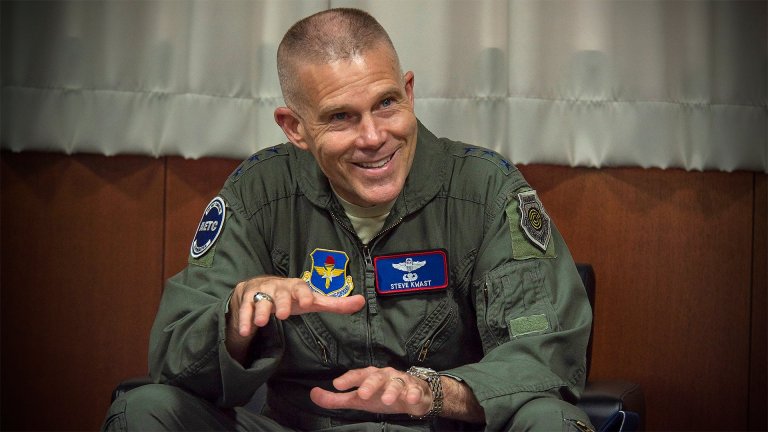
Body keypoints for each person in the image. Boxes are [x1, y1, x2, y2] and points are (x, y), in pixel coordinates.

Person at [103, 8, 594, 432]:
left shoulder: (485, 189)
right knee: (146, 409)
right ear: (295, 127)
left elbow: (545, 354)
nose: (374, 137)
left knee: (552, 420)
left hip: (440, 425)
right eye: (341, 117)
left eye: (386, 103)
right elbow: (173, 361)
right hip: (301, 425)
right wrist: (237, 320)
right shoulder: (260, 194)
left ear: (409, 92)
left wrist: (432, 392)